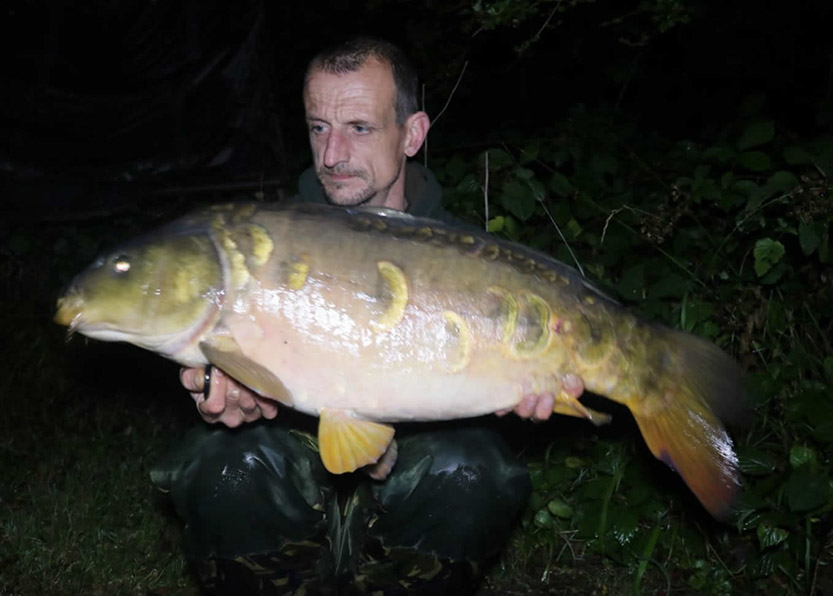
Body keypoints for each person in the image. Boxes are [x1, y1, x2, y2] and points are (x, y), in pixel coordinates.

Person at [152, 36, 571, 595]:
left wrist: (528, 392)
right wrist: (224, 384)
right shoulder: (264, 248)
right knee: (224, 463)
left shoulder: (473, 265)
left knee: (470, 469)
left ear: (413, 134)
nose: (331, 155)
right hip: (300, 457)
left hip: (411, 472)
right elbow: (220, 346)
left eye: (359, 128)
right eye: (318, 127)